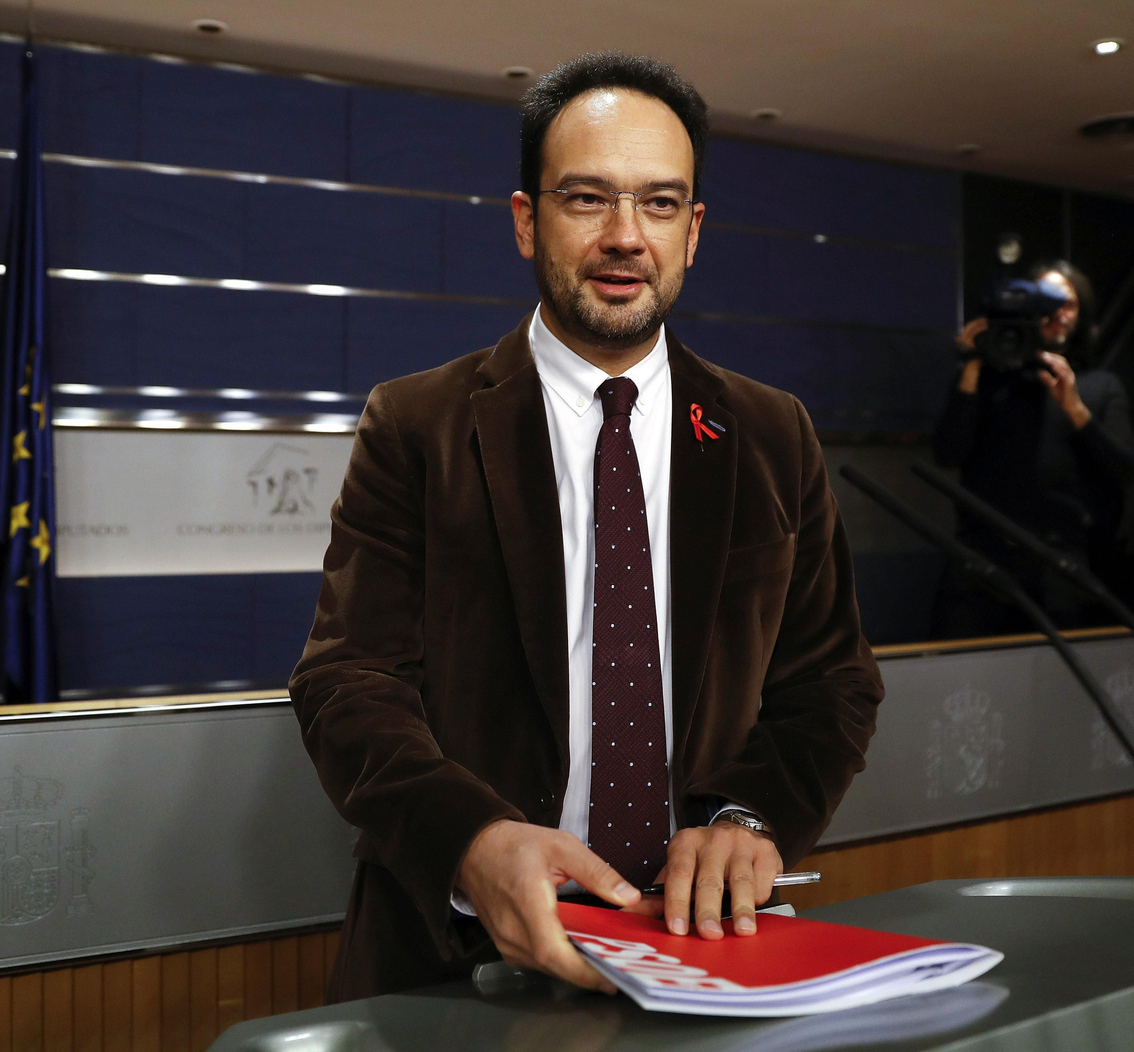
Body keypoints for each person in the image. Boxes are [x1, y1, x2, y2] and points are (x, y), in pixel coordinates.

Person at [289, 53, 884, 1002]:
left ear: (692, 232)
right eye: (586, 199)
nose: (624, 237)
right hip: (454, 958)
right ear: (528, 221)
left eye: (657, 205)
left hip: (703, 952)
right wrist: (471, 842)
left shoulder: (774, 432)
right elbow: (345, 681)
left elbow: (831, 684)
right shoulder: (417, 423)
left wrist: (751, 819)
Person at [930, 262, 1134, 638]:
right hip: (982, 556)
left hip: (1060, 563)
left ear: (1081, 314)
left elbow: (1126, 472)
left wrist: (1075, 408)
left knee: (1057, 686)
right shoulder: (986, 378)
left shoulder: (1099, 385)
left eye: (1069, 304)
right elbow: (947, 454)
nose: (1058, 313)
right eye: (1046, 302)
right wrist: (972, 366)